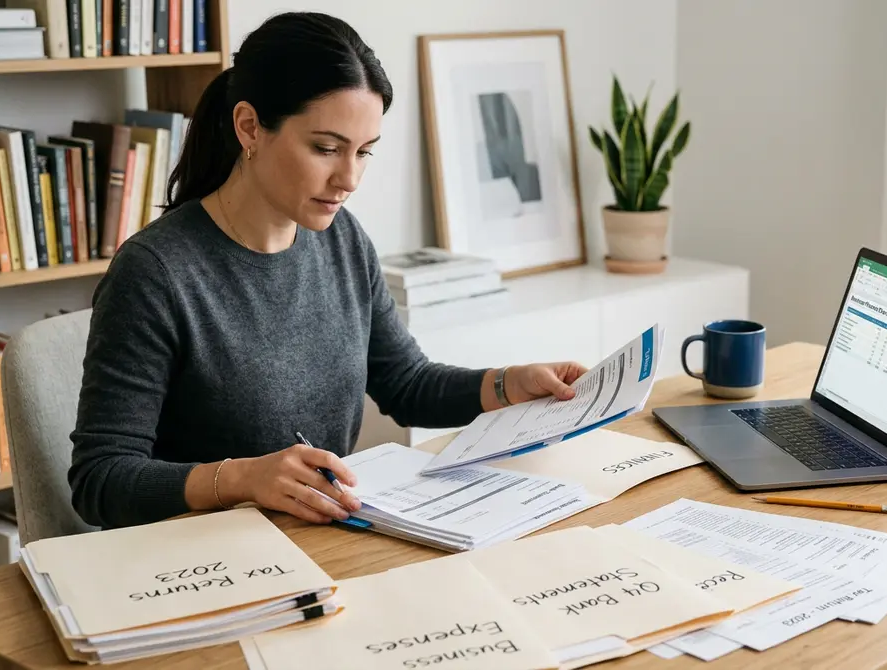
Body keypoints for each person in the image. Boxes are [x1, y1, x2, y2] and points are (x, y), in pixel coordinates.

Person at [67, 11, 587, 530]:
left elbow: (406, 383)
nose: (349, 178)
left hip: (319, 535)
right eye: (326, 148)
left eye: (364, 152)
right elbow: (100, 480)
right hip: (202, 555)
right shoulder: (154, 274)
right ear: (250, 127)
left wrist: (509, 385)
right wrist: (243, 478)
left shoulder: (341, 239)